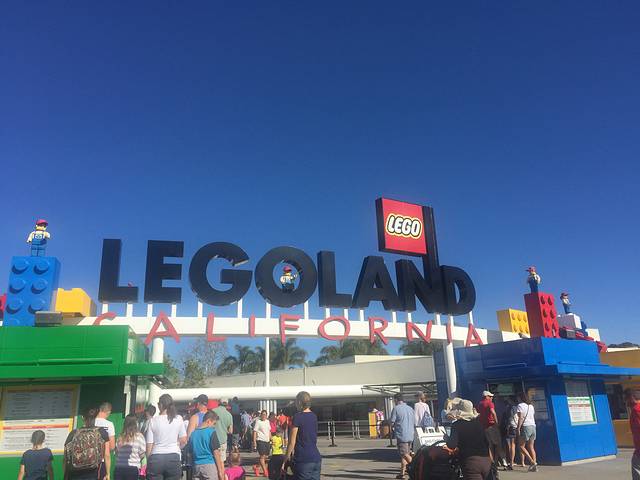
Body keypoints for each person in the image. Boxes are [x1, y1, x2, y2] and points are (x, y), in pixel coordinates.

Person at [444, 399, 491, 480]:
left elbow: (452, 445)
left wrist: (446, 438)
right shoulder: (479, 424)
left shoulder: (457, 425)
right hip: (486, 460)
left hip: (470, 461)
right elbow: (487, 443)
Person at [146, 393, 187, 480]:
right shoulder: (178, 418)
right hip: (173, 457)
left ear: (161, 405)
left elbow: (149, 444)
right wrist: (177, 447)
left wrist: (149, 461)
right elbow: (183, 440)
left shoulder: (153, 421)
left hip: (156, 458)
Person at [64, 407, 111, 480]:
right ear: (96, 417)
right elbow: (107, 454)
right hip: (92, 473)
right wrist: (108, 474)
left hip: (74, 474)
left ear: (83, 418)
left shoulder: (73, 433)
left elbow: (65, 457)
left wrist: (65, 474)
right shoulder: (101, 432)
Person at [284, 391, 321, 480]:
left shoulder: (298, 417)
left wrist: (286, 458)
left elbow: (292, 441)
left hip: (303, 459)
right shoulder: (314, 416)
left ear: (300, 402)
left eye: (296, 402)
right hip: (316, 458)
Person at [187, 411, 224, 480]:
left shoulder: (193, 434)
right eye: (214, 423)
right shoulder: (211, 432)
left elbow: (190, 453)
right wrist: (220, 470)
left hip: (196, 466)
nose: (214, 426)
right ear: (208, 421)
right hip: (209, 465)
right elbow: (216, 453)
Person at [389, 393, 415, 479]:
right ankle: (402, 473)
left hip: (402, 435)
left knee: (404, 454)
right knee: (405, 454)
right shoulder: (410, 408)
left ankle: (416, 467)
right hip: (410, 434)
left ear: (396, 400)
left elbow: (392, 422)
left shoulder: (396, 408)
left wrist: (389, 424)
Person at [476, 390, 504, 469]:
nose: (492, 398)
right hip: (492, 425)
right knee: (498, 444)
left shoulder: (480, 404)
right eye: (490, 396)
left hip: (484, 427)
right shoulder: (490, 403)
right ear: (487, 397)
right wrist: (496, 423)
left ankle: (491, 461)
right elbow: (493, 412)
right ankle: (498, 461)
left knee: (489, 445)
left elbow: (478, 414)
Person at [114, 414, 146, 480]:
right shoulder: (139, 437)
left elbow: (117, 453)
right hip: (133, 468)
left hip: (119, 468)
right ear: (135, 424)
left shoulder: (120, 437)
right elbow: (142, 454)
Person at [516, 391, 537, 472]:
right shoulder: (531, 406)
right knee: (531, 446)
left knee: (521, 446)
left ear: (520, 398)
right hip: (533, 426)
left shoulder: (520, 405)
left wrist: (518, 428)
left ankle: (532, 462)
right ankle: (534, 465)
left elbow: (521, 417)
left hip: (526, 426)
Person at [624, 388, 640, 480]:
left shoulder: (636, 410)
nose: (625, 401)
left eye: (626, 398)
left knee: (636, 469)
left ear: (631, 398)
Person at [213, 398, 233, 464]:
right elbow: (230, 431)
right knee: (221, 461)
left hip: (213, 439)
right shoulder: (229, 415)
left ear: (219, 403)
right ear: (227, 404)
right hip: (223, 440)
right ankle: (221, 470)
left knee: (213, 461)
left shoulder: (213, 412)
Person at [501, 396, 518, 470]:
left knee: (511, 445)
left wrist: (507, 427)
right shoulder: (518, 407)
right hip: (517, 426)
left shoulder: (510, 408)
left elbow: (509, 418)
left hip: (511, 427)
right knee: (515, 445)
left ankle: (510, 463)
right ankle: (513, 462)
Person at [252, 410, 271, 477]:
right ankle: (265, 472)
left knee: (266, 456)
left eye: (265, 414)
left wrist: (271, 439)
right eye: (262, 414)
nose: (264, 416)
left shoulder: (267, 421)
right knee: (262, 456)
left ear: (266, 415)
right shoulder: (258, 422)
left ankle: (256, 467)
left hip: (267, 441)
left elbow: (269, 431)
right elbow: (254, 432)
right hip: (260, 440)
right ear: (261, 415)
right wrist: (254, 442)